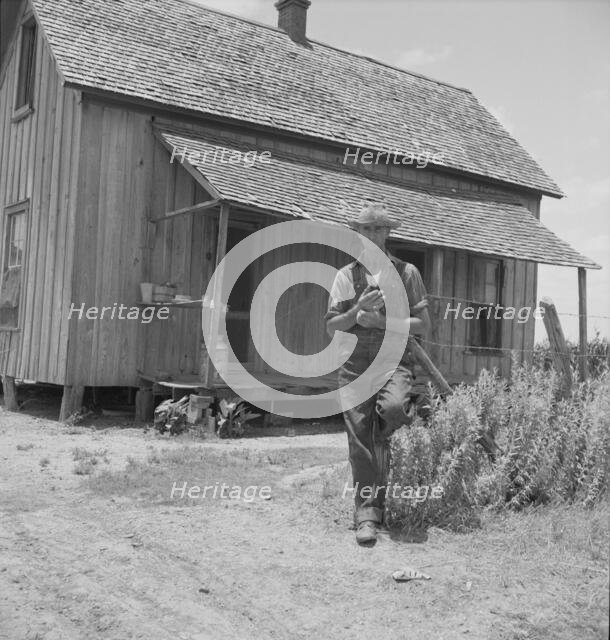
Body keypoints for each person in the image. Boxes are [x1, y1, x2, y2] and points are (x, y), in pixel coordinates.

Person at [325, 202, 430, 544]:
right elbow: (331, 327)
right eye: (365, 229)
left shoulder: (406, 273)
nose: (371, 235)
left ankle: (380, 440)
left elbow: (423, 324)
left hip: (392, 362)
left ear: (388, 233)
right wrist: (357, 312)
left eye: (378, 229)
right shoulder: (345, 276)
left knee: (396, 409)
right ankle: (367, 517)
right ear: (358, 233)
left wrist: (382, 321)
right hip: (354, 365)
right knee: (359, 443)